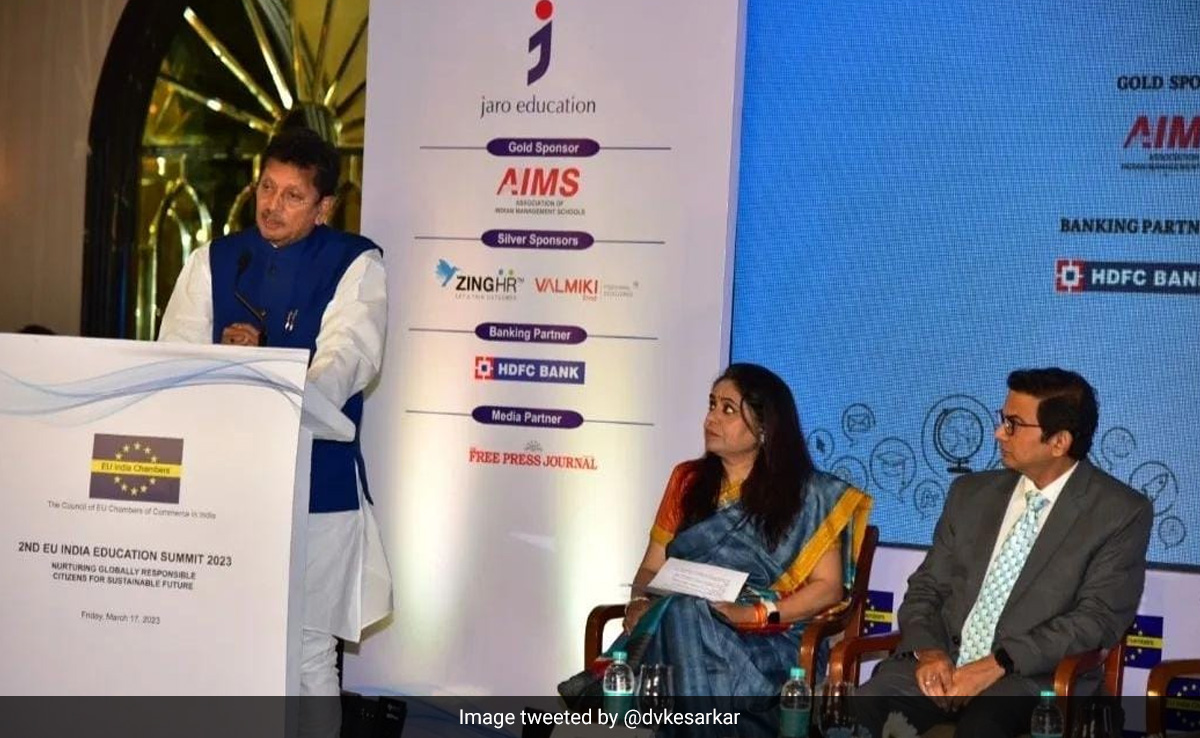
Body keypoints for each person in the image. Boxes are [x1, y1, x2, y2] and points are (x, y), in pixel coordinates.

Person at [158, 126, 391, 705]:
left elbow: (347, 361)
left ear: (324, 207)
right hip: (223, 486)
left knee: (309, 653)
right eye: (267, 187)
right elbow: (173, 360)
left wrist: (269, 370)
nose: (272, 205)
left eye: (293, 195)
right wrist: (222, 361)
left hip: (316, 485)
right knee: (221, 638)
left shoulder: (355, 263)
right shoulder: (215, 260)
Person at [856, 368, 1153, 738]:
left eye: (1013, 424)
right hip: (942, 665)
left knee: (983, 727)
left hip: (1032, 678)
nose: (999, 433)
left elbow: (1096, 619)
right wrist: (929, 652)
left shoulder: (1118, 512)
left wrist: (998, 663)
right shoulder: (970, 494)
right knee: (857, 711)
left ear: (1058, 441)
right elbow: (926, 588)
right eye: (1002, 419)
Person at [614, 363, 872, 697]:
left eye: (728, 409)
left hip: (771, 639)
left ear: (764, 427)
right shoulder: (686, 481)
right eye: (711, 405)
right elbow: (652, 567)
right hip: (681, 626)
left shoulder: (809, 495)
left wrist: (752, 614)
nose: (711, 419)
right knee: (683, 615)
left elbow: (828, 589)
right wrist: (638, 601)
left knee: (680, 620)